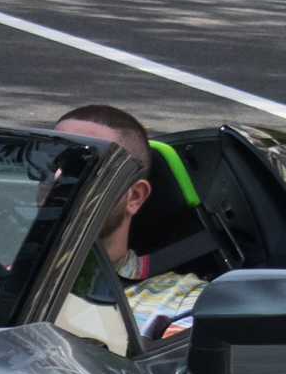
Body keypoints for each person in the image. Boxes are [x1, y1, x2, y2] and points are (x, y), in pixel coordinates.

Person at [54, 104, 207, 339]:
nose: (57, 176)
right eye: (49, 161)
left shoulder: (179, 303)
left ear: (134, 197)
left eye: (81, 165)